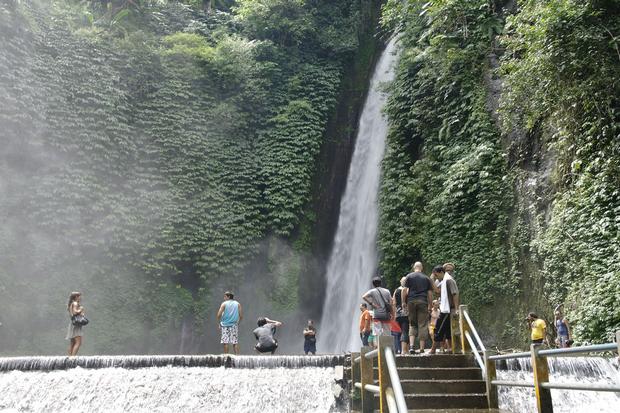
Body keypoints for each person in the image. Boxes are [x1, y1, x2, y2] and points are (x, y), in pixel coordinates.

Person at [401, 262, 435, 354]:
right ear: (422, 268)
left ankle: (411, 346)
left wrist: (403, 302)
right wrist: (430, 305)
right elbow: (430, 293)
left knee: (412, 324)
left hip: (411, 302)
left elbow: (404, 290)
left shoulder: (409, 276)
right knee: (422, 324)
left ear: (414, 268)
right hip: (422, 301)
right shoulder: (426, 278)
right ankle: (421, 348)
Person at [429, 265, 459, 354]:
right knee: (447, 330)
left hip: (448, 309)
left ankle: (433, 349)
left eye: (436, 275)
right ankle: (450, 348)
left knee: (438, 328)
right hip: (446, 308)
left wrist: (456, 309)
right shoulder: (444, 281)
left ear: (441, 272)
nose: (436, 277)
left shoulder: (449, 280)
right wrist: (432, 280)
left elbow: (455, 294)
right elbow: (437, 291)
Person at [362, 276, 394, 348]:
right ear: (381, 283)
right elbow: (391, 303)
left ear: (373, 284)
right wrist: (393, 314)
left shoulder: (372, 291)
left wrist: (371, 303)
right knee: (387, 331)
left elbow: (364, 296)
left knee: (377, 332)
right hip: (386, 314)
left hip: (377, 315)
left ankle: (378, 347)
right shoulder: (387, 291)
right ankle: (387, 346)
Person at [393, 276, 410, 354]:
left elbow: (393, 302)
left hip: (398, 313)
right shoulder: (407, 290)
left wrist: (394, 314)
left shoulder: (396, 290)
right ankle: (404, 350)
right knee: (405, 331)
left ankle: (400, 350)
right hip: (405, 312)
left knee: (398, 332)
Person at [66, 291, 85, 356]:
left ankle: (70, 357)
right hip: (76, 325)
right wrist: (81, 309)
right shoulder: (75, 303)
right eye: (79, 296)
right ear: (76, 297)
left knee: (72, 343)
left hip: (72, 324)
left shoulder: (71, 303)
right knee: (78, 342)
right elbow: (75, 312)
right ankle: (73, 358)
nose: (80, 298)